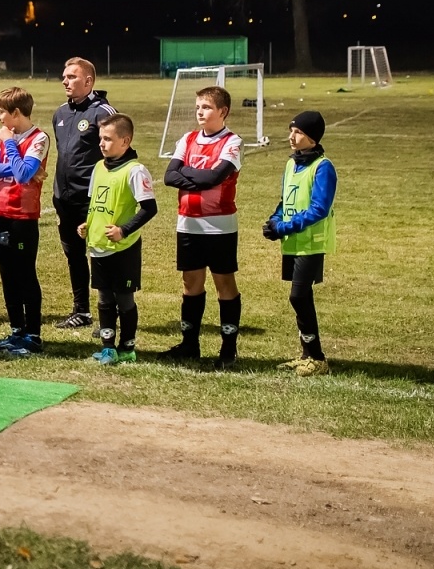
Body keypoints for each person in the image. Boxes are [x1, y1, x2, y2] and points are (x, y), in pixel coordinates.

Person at [162, 85, 244, 366]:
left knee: (224, 282)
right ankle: (189, 344)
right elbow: (169, 176)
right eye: (198, 107)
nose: (200, 112)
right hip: (188, 223)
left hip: (219, 225)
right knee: (190, 282)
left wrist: (188, 173)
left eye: (206, 107)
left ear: (223, 111)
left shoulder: (233, 142)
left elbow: (214, 178)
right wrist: (199, 176)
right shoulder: (188, 139)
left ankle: (228, 349)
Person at [78, 114, 157, 365]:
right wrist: (88, 225)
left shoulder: (135, 171)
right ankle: (108, 348)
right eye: (101, 138)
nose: (102, 144)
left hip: (123, 247)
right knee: (104, 299)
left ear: (125, 141)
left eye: (108, 139)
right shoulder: (98, 167)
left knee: (124, 299)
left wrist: (124, 229)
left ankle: (127, 347)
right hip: (99, 246)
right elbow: (96, 203)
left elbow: (149, 208)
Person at [263, 111, 337, 376]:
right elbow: (286, 200)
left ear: (313, 138)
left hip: (311, 242)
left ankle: (317, 357)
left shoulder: (323, 167)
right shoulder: (291, 163)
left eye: (298, 133)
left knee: (298, 296)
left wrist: (284, 227)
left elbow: (319, 209)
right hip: (293, 241)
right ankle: (307, 355)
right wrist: (274, 221)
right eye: (291, 131)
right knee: (302, 297)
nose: (291, 137)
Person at [0, 86, 51, 357]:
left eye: (1, 112)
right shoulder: (1, 134)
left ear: (16, 112)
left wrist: (11, 147)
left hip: (22, 217)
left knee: (25, 275)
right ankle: (16, 330)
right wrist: (21, 166)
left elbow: (23, 176)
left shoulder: (39, 138)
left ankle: (33, 335)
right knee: (7, 276)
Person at [51, 58, 117, 329]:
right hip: (64, 198)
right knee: (74, 256)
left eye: (72, 77)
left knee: (102, 256)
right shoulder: (60, 113)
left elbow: (117, 153)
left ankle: (109, 316)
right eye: (64, 76)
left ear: (88, 81)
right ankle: (81, 311)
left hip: (92, 199)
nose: (65, 81)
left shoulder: (102, 112)